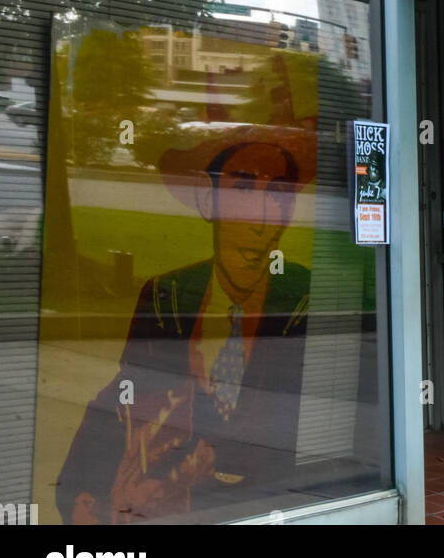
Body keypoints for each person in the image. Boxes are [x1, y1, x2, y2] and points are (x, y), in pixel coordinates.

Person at [56, 124, 315, 525]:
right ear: (207, 200)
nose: (263, 220)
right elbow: (124, 393)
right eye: (242, 190)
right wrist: (82, 488)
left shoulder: (305, 300)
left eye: (279, 194)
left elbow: (316, 429)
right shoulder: (168, 295)